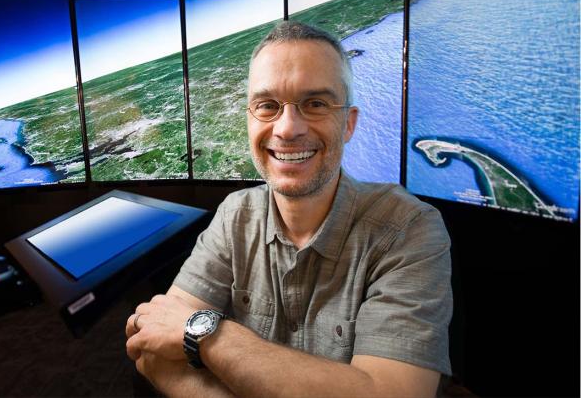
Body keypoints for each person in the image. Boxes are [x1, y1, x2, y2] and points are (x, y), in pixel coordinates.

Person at [126, 21, 452, 398]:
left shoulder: (408, 230)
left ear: (348, 123)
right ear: (250, 120)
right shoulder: (235, 215)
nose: (287, 128)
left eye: (315, 104)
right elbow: (149, 350)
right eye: (267, 106)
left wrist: (208, 334)